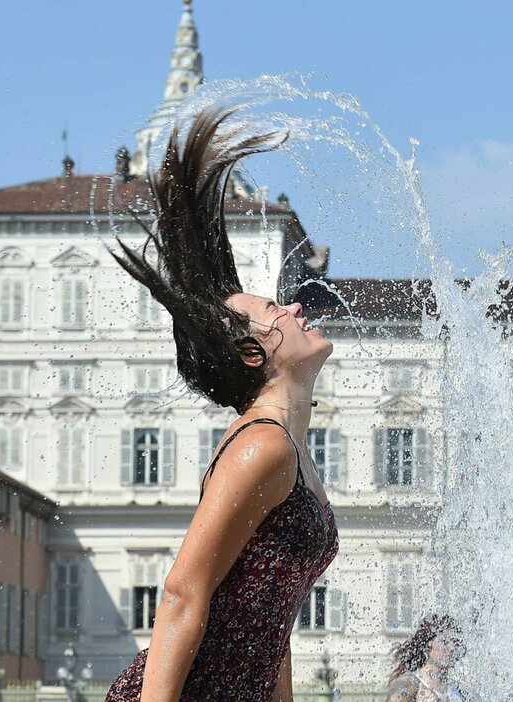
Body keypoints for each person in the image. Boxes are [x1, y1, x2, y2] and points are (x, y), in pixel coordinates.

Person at [104, 108, 338, 701]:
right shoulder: (260, 445)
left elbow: (273, 617)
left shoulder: (290, 451)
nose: (291, 309)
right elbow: (184, 593)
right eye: (272, 312)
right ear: (254, 356)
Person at [387, 614, 467, 702]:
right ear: (428, 646)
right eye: (444, 641)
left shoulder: (456, 689)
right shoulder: (408, 683)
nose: (452, 648)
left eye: (456, 642)